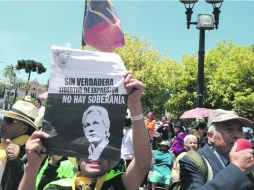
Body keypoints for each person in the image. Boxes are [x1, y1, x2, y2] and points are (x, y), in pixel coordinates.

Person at [18, 71, 152, 190]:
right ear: (76, 156)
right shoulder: (56, 187)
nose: (94, 155)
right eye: (86, 146)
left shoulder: (118, 184)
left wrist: (135, 104)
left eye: (101, 149)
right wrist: (33, 165)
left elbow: (143, 164)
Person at [179, 109, 254, 190]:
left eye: (240, 130)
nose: (237, 135)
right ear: (211, 136)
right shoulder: (191, 162)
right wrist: (236, 169)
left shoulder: (248, 159)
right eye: (229, 129)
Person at [0, 100, 38, 190]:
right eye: (4, 119)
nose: (2, 123)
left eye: (9, 121)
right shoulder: (2, 141)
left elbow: (26, 184)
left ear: (24, 128)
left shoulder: (31, 153)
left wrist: (15, 161)